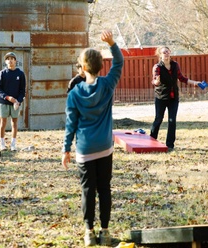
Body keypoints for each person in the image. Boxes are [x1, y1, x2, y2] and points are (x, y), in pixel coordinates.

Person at [62, 30, 123, 247]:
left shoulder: (74, 94)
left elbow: (70, 125)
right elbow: (119, 62)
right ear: (100, 66)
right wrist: (112, 43)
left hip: (85, 149)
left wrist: (65, 150)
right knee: (105, 188)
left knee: (88, 190)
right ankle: (105, 232)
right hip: (105, 147)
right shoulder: (107, 85)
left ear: (83, 68)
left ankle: (89, 233)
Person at [150, 46, 201, 150]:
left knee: (172, 120)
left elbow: (181, 78)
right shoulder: (157, 67)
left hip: (173, 98)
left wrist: (195, 83)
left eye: (167, 52)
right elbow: (155, 80)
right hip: (161, 97)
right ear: (160, 54)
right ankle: (151, 142)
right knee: (158, 119)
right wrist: (156, 82)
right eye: (164, 52)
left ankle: (170, 145)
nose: (166, 54)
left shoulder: (175, 65)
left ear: (170, 53)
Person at [0, 52, 26, 151]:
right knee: (3, 122)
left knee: (14, 123)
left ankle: (13, 144)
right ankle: (2, 143)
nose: (10, 60)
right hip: (4, 102)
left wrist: (18, 101)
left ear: (15, 61)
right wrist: (8, 97)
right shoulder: (2, 73)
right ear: (5, 61)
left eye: (12, 58)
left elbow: (22, 90)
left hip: (15, 103)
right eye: (8, 59)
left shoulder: (20, 74)